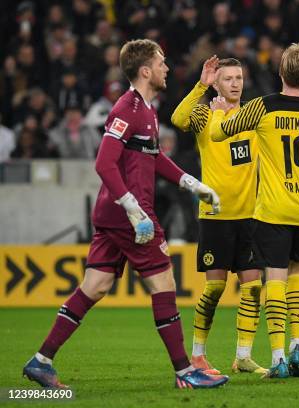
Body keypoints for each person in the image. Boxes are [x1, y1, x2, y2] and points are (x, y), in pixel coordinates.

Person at [22, 39, 228, 389]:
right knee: (164, 282)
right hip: (129, 216)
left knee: (96, 285)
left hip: (113, 213)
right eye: (161, 62)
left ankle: (41, 361)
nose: (166, 67)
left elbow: (155, 157)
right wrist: (134, 212)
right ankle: (184, 371)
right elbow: (104, 163)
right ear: (146, 70)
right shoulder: (126, 109)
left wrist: (195, 185)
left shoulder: (146, 108)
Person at [208, 43, 299, 378]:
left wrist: (218, 110)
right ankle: (297, 345)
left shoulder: (263, 107)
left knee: (273, 278)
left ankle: (277, 358)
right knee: (297, 275)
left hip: (273, 209)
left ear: (280, 72)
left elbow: (218, 133)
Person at [171, 56, 266, 375]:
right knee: (214, 288)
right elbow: (177, 118)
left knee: (253, 286)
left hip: (250, 215)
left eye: (239, 77)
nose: (235, 83)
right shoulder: (203, 114)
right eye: (228, 78)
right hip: (215, 216)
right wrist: (201, 85)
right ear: (217, 82)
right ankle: (198, 354)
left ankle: (243, 356)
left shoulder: (253, 114)